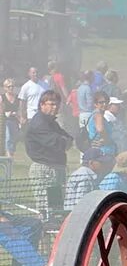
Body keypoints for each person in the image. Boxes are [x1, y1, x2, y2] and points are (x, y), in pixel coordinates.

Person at [24, 90, 73, 220]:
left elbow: (68, 139)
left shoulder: (52, 122)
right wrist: (63, 141)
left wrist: (64, 141)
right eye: (51, 104)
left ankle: (55, 229)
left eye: (57, 104)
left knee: (57, 207)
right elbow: (57, 143)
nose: (55, 107)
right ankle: (45, 230)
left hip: (56, 168)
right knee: (47, 209)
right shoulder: (39, 122)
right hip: (44, 169)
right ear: (42, 104)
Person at [87, 91, 117, 157]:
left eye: (106, 102)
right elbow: (100, 130)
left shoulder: (96, 114)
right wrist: (107, 140)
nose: (104, 104)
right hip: (103, 152)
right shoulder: (98, 115)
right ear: (95, 104)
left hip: (100, 151)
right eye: (101, 102)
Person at [2, 78, 18, 156]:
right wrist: (5, 113)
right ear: (5, 87)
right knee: (8, 137)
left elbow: (19, 108)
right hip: (5, 120)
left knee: (14, 138)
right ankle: (8, 155)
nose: (11, 88)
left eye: (12, 86)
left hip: (15, 120)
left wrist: (17, 114)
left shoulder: (17, 97)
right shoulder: (2, 97)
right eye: (9, 86)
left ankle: (11, 155)